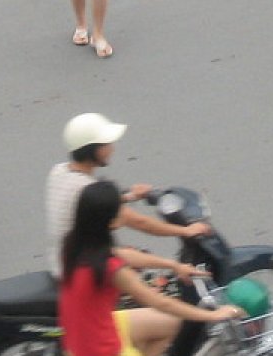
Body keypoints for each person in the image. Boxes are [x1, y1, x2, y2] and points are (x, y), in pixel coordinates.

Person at [59, 180, 243, 356]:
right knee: (168, 314)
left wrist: (175, 266)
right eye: (120, 208)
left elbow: (124, 255)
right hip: (100, 354)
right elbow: (161, 302)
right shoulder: (110, 268)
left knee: (171, 323)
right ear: (111, 222)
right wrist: (214, 316)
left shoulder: (76, 243)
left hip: (82, 333)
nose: (125, 211)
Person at [46, 113, 210, 278]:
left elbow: (88, 202)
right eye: (107, 144)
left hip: (65, 261)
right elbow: (140, 222)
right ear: (92, 149)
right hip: (84, 271)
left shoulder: (59, 171)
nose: (112, 148)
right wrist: (186, 231)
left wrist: (131, 196)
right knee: (153, 291)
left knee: (142, 262)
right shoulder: (85, 187)